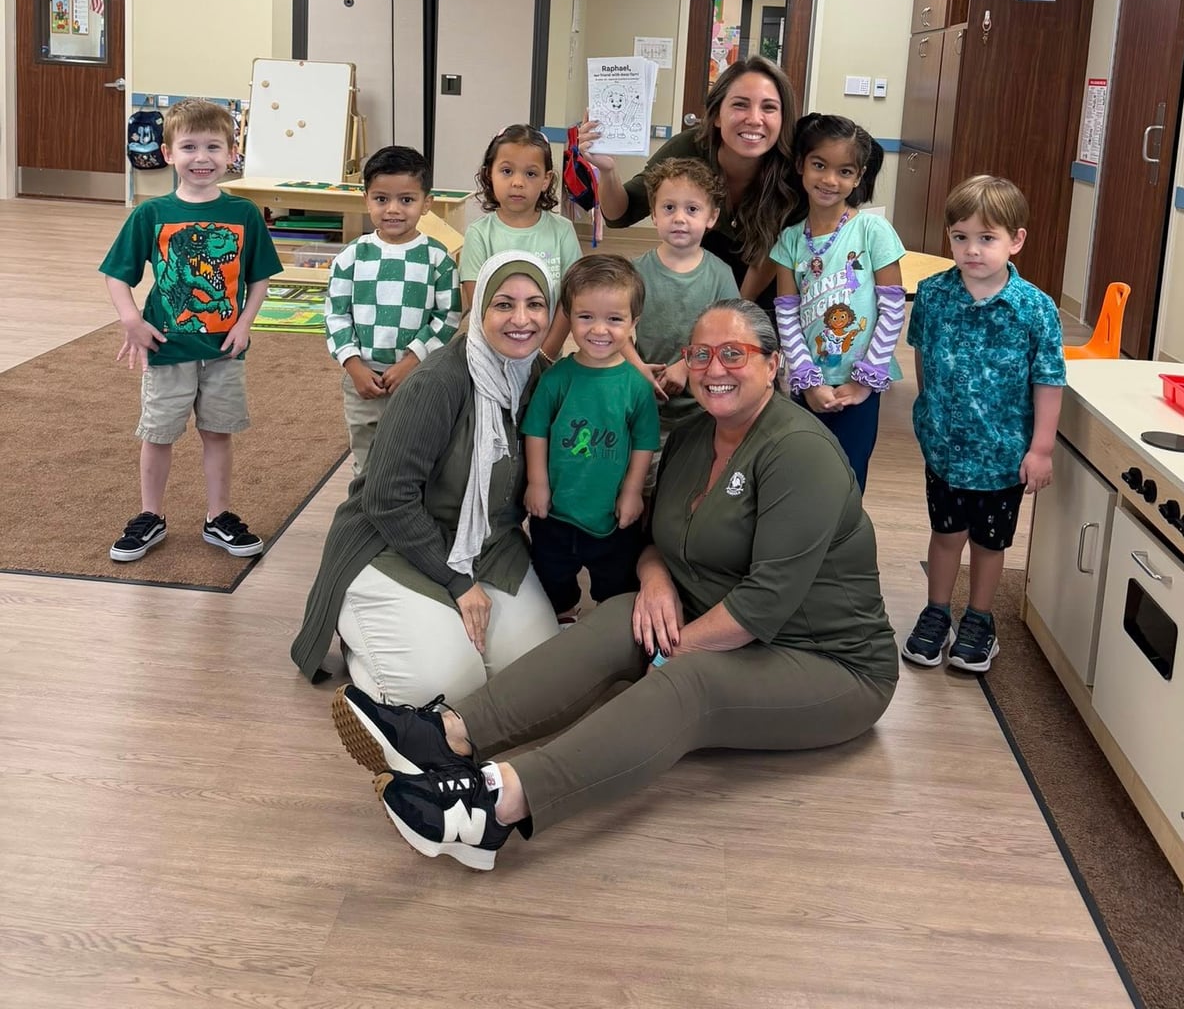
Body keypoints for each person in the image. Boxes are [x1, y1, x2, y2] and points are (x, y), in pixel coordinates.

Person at [328, 300, 898, 871]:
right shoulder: (695, 434)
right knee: (624, 613)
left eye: (734, 354)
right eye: (699, 354)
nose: (713, 368)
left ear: (773, 365)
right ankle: (448, 734)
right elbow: (655, 539)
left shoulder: (800, 451)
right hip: (725, 617)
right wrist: (653, 582)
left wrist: (666, 655)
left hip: (827, 661)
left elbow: (764, 603)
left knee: (688, 681)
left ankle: (492, 808)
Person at [291, 251, 559, 702]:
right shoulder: (438, 382)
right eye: (503, 304)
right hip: (391, 543)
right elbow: (386, 498)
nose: (522, 319)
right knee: (442, 687)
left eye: (535, 304)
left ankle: (438, 629)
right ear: (479, 310)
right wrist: (458, 584)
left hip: (486, 547)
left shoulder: (541, 379)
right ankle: (363, 644)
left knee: (534, 676)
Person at [100, 98, 282, 563]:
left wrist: (245, 322)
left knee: (218, 432)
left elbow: (258, 276)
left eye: (213, 147)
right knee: (158, 433)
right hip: (168, 348)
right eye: (189, 147)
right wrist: (131, 319)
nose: (202, 157)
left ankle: (218, 515)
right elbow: (117, 273)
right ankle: (150, 515)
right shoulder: (151, 214)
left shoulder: (245, 214)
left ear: (231, 153)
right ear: (168, 154)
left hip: (224, 350)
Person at [902, 176, 1065, 674]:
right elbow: (923, 360)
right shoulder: (931, 295)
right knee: (946, 533)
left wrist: (1041, 449)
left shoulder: (1035, 308)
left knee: (989, 544)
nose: (972, 250)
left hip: (1002, 456)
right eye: (960, 237)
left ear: (1016, 240)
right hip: (945, 451)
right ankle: (937, 613)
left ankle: (979, 619)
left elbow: (1049, 381)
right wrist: (930, 415)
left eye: (987, 238)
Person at [578, 56, 800, 312]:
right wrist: (608, 170)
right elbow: (619, 214)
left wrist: (736, 314)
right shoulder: (689, 147)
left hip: (767, 292)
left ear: (783, 118)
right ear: (716, 116)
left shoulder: (792, 169)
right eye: (740, 105)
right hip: (696, 285)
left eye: (769, 108)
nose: (754, 118)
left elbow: (771, 258)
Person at [522, 254, 660, 623]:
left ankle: (604, 630)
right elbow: (535, 431)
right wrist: (537, 482)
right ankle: (564, 616)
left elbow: (645, 442)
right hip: (555, 511)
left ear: (634, 322)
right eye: (586, 317)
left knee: (616, 581)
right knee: (552, 576)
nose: (599, 330)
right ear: (568, 317)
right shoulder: (556, 379)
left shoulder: (636, 386)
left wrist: (632, 491)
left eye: (614, 319)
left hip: (612, 514)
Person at [770, 113, 905, 493]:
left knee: (848, 479)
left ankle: (842, 551)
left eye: (844, 171)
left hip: (858, 387)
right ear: (801, 166)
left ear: (859, 176)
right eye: (819, 165)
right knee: (803, 477)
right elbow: (786, 314)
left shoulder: (872, 230)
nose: (830, 180)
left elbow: (893, 308)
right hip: (807, 387)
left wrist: (865, 380)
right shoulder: (790, 241)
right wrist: (806, 379)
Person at [324, 144, 461, 479]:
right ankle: (364, 521)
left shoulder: (437, 257)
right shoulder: (351, 257)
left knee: (415, 458)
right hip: (363, 381)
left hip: (417, 379)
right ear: (366, 198)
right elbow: (336, 316)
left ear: (426, 203)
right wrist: (354, 366)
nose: (393, 210)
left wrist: (411, 362)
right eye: (381, 199)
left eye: (407, 200)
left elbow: (449, 316)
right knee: (366, 463)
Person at [629, 158, 741, 445]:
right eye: (669, 208)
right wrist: (638, 368)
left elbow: (732, 338)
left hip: (703, 409)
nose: (679, 218)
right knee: (644, 479)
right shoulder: (635, 272)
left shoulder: (720, 275)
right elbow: (615, 330)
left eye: (692, 209)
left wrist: (687, 365)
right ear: (654, 214)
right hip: (642, 403)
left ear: (711, 217)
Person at [460, 124, 581, 359]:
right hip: (492, 356)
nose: (518, 182)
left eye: (531, 173)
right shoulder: (479, 234)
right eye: (507, 171)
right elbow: (479, 304)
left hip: (546, 357)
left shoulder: (562, 231)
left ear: (546, 180)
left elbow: (572, 299)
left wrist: (545, 354)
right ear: (489, 174)